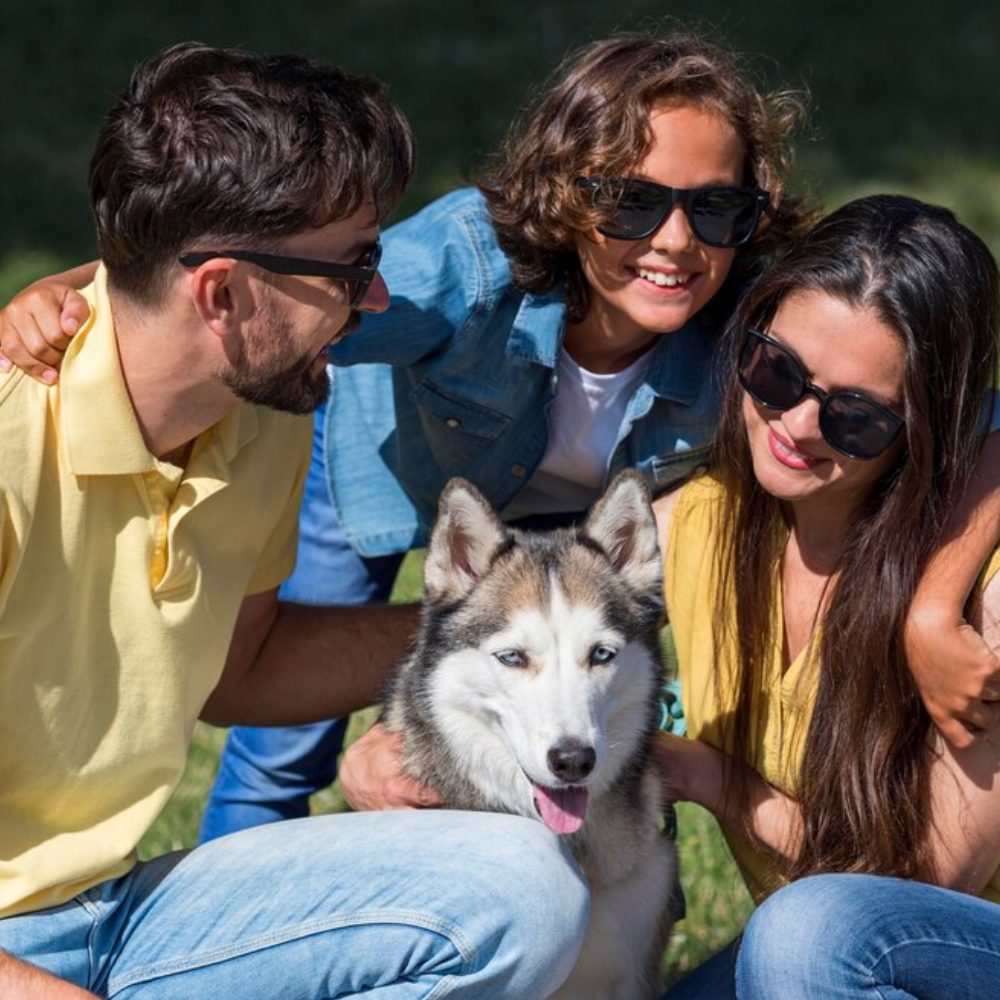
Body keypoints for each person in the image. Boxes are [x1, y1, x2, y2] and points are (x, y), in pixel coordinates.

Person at [4, 31, 999, 835]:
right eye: (632, 200)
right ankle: (240, 887)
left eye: (717, 209)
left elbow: (971, 419)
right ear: (565, 189)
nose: (674, 241)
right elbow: (256, 286)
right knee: (282, 738)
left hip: (578, 517)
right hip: (387, 479)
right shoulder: (459, 269)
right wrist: (77, 291)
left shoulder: (757, 326)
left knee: (568, 700)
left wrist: (932, 609)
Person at [0, 42, 589, 998]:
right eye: (355, 266)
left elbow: (247, 666)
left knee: (519, 890)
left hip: (116, 914)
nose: (381, 297)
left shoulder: (259, 413)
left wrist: (510, 640)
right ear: (223, 293)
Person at [654, 194, 1000, 999]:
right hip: (804, 964)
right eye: (776, 372)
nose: (798, 425)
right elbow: (528, 604)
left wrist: (710, 778)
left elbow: (913, 892)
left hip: (937, 955)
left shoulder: (983, 601)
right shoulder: (703, 521)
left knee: (813, 931)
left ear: (927, 429)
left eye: (855, 418)